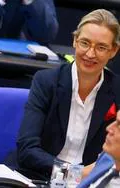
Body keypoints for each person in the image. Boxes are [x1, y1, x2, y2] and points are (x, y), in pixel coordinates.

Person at [17, 9, 120, 180]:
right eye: (85, 43)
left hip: (93, 182)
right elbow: (27, 150)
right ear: (74, 41)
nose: (90, 54)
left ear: (113, 51)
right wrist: (73, 173)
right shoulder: (46, 81)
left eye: (101, 47)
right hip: (42, 177)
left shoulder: (117, 89)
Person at [78, 110, 120, 188]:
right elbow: (83, 173)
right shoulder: (109, 156)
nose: (109, 128)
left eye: (119, 126)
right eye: (115, 121)